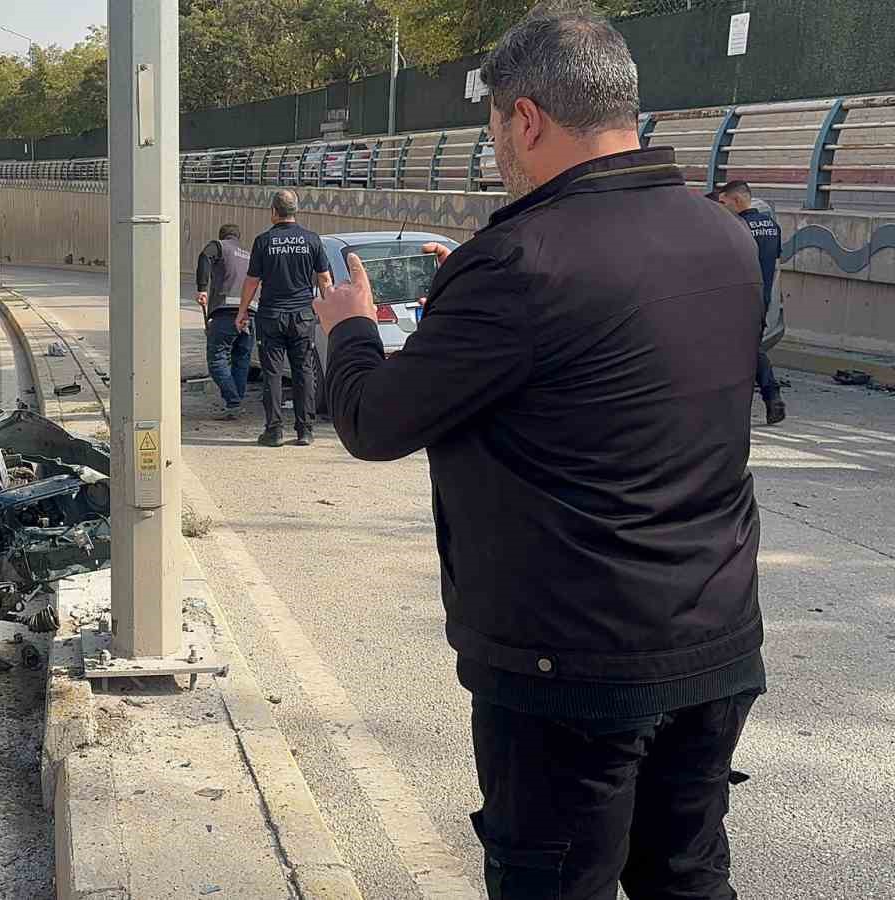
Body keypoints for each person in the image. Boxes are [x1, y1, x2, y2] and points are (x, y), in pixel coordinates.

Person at [316, 8, 765, 900]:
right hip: (714, 640)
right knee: (687, 879)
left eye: (494, 129)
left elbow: (374, 423)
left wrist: (352, 329)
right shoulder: (724, 237)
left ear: (526, 118)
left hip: (573, 670)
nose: (496, 151)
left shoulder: (516, 263)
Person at [234, 189, 331, 447]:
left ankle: (274, 431)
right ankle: (305, 430)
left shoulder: (263, 241)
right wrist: (329, 310)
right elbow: (324, 279)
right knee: (304, 371)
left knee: (273, 373)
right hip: (302, 317)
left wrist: (242, 311)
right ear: (295, 210)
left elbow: (252, 281)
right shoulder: (312, 239)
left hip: (271, 316)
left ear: (274, 212)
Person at [718, 180, 788, 424]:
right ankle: (771, 397)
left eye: (723, 202)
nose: (721, 207)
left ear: (736, 200)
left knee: (735, 350)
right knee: (751, 348)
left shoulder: (736, 226)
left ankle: (761, 398)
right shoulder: (772, 226)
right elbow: (774, 261)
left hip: (737, 298)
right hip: (762, 297)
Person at [195, 224, 256, 419]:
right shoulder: (249, 256)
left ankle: (233, 401)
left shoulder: (220, 246)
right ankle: (234, 405)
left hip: (226, 313)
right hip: (250, 314)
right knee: (241, 359)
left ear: (222, 236)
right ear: (238, 237)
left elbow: (205, 256)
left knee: (217, 359)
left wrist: (202, 288)